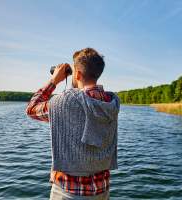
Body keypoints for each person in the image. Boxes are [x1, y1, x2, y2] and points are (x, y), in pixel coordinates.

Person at [26, 47, 120, 200]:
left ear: (77, 73)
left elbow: (31, 109)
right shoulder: (111, 102)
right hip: (102, 190)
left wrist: (54, 80)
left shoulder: (63, 103)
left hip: (68, 192)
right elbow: (82, 99)